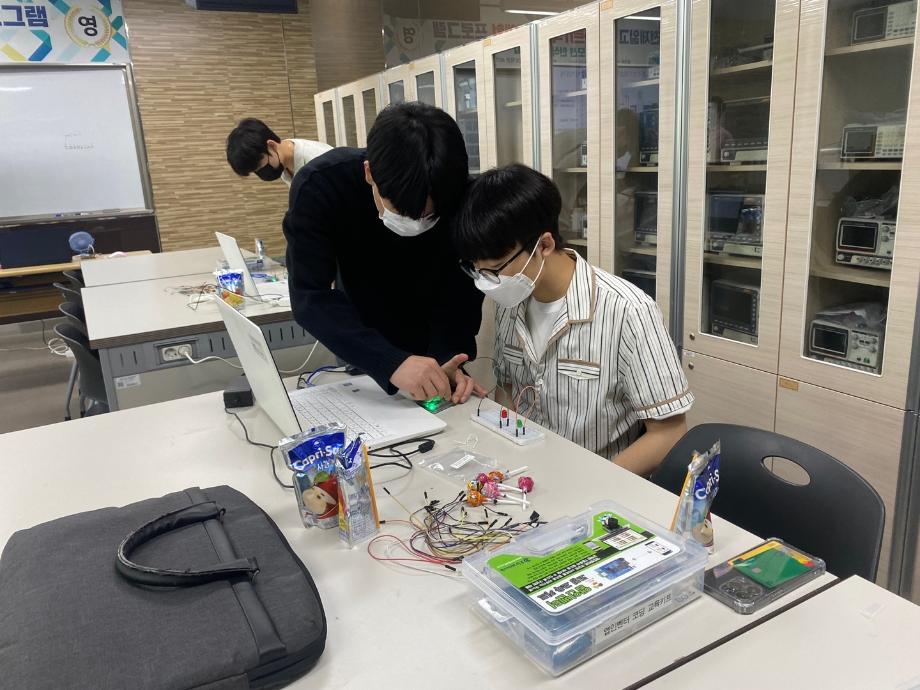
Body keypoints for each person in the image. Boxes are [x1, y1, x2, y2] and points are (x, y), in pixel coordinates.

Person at [453, 164, 692, 475]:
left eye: (496, 269)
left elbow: (669, 433)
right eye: (477, 270)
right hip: (527, 475)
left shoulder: (628, 311)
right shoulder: (510, 302)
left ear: (544, 245)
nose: (487, 282)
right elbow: (508, 390)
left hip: (599, 482)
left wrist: (592, 485)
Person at [283, 102, 485, 403]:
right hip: (362, 342)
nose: (417, 223)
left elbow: (462, 289)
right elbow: (310, 296)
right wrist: (389, 361)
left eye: (430, 215)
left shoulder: (457, 191)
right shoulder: (321, 185)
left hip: (434, 338)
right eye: (402, 211)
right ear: (369, 174)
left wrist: (449, 359)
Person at [226, 118, 331, 186]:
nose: (262, 173)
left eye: (260, 166)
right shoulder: (283, 161)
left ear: (271, 145)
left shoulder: (319, 162)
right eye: (255, 171)